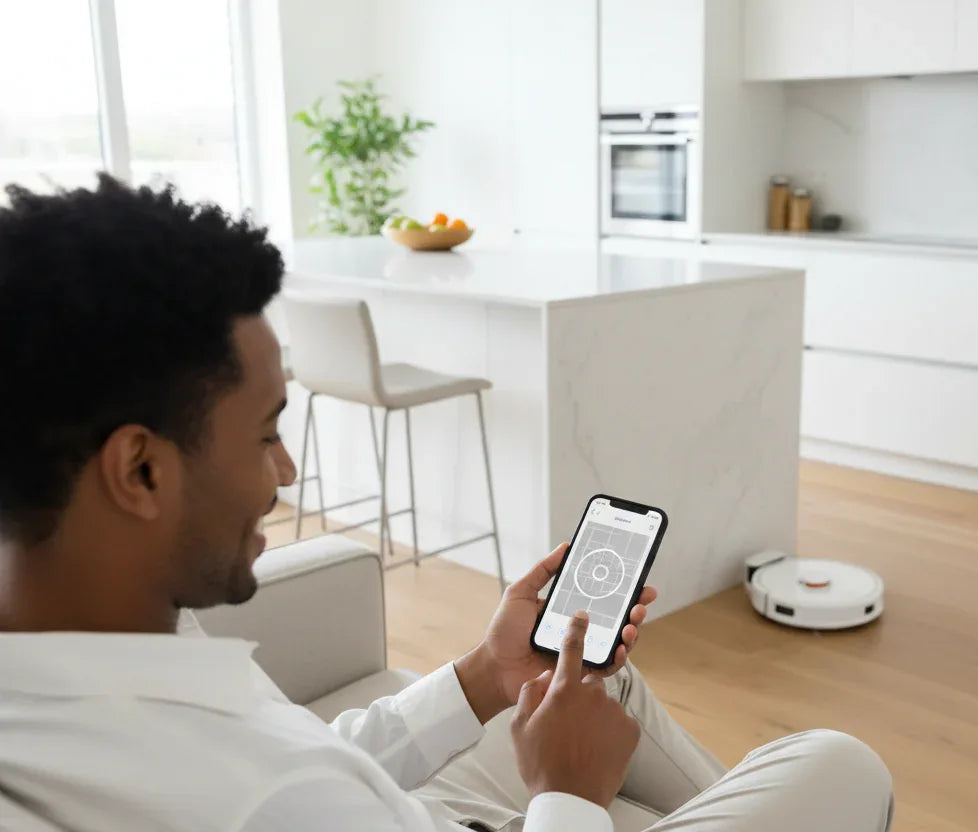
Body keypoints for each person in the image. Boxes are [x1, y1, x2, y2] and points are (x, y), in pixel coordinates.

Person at [0, 176, 893, 831]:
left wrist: (480, 676)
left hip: (405, 805)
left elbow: (324, 758)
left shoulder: (96, 644)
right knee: (840, 764)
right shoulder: (252, 798)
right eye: (267, 433)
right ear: (139, 471)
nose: (287, 472)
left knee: (582, 677)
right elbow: (301, 787)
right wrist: (567, 800)